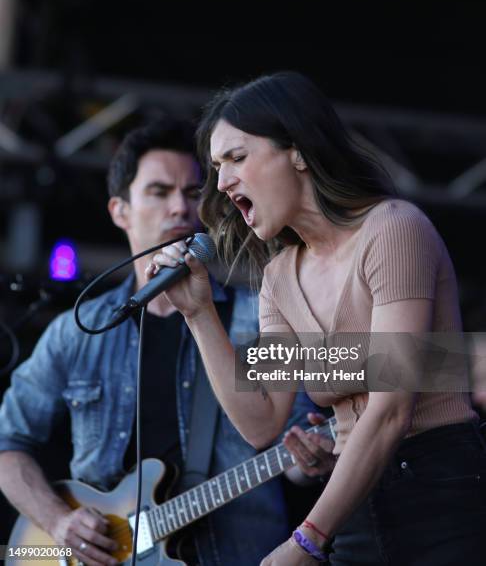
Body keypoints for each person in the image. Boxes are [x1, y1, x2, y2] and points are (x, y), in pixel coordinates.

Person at [149, 72, 486, 565]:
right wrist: (199, 314)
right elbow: (262, 421)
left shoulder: (392, 230)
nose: (222, 183)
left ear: (299, 150)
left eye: (237, 158)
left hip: (435, 488)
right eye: (218, 166)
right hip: (352, 501)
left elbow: (392, 409)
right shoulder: (280, 277)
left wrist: (307, 539)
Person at [0, 118, 326, 566]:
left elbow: (293, 449)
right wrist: (58, 521)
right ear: (120, 211)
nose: (180, 208)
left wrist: (309, 462)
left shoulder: (263, 318)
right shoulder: (80, 331)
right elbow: (6, 442)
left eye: (194, 194)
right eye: (159, 191)